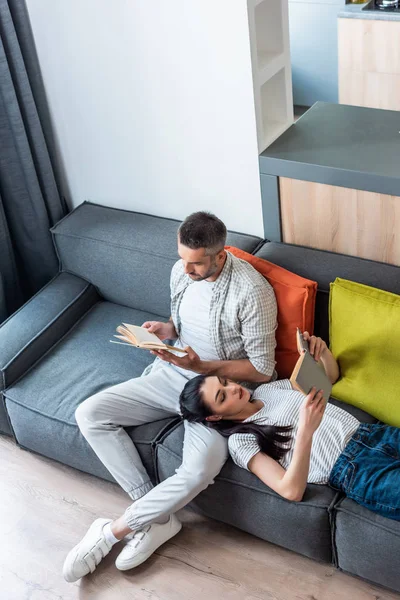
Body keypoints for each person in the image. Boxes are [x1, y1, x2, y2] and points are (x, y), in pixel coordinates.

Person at [63, 211, 278, 582]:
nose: (187, 269)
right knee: (90, 414)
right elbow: (179, 319)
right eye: (183, 258)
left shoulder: (253, 292)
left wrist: (202, 366)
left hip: (216, 392)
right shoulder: (182, 270)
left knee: (199, 470)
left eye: (196, 263)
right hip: (171, 374)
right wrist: (166, 330)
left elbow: (263, 370)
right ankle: (156, 519)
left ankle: (115, 531)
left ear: (221, 255)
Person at [180, 332, 400, 520]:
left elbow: (328, 378)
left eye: (225, 383)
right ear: (215, 417)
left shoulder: (268, 390)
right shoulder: (241, 441)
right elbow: (290, 490)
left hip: (373, 434)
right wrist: (305, 430)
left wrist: (322, 353)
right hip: (353, 469)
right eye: (222, 397)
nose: (233, 389)